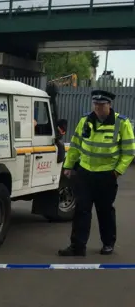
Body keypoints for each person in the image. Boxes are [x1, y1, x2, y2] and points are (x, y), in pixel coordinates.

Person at [58, 90, 135, 256]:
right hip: (85, 173)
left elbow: (129, 152)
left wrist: (117, 171)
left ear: (109, 105)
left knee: (105, 210)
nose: (98, 108)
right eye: (96, 104)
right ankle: (78, 246)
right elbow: (76, 145)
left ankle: (108, 243)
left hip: (107, 175)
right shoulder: (85, 120)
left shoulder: (121, 123)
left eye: (101, 105)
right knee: (81, 210)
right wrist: (69, 166)